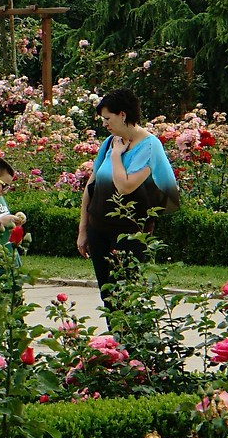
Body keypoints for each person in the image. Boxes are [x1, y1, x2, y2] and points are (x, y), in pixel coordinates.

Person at [76, 88, 178, 295]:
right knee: (107, 294)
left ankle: (125, 330)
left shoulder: (149, 146)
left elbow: (125, 186)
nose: (104, 124)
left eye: (107, 118)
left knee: (125, 293)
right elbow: (91, 187)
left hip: (129, 233)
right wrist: (83, 230)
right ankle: (113, 330)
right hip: (98, 228)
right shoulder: (109, 143)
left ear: (122, 114)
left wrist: (116, 157)